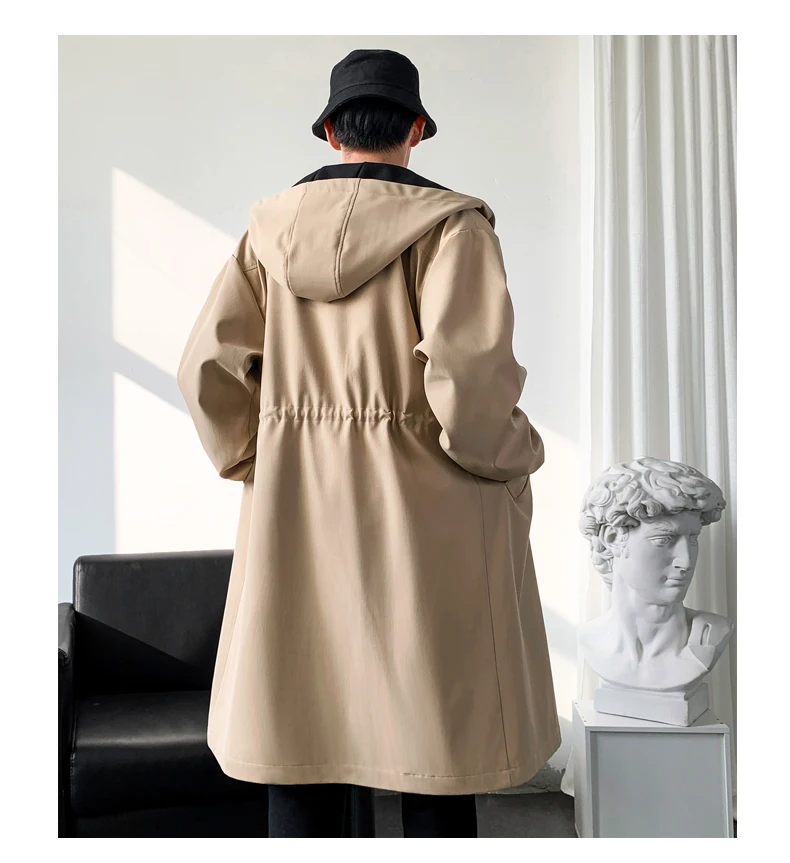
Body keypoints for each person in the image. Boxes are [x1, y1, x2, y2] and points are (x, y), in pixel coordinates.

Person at [177, 48, 560, 838]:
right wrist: (518, 455)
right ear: (415, 129)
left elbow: (206, 369)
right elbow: (470, 393)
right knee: (436, 748)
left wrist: (257, 457)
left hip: (296, 518)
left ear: (329, 133)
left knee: (299, 738)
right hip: (427, 526)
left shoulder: (267, 233)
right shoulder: (452, 229)